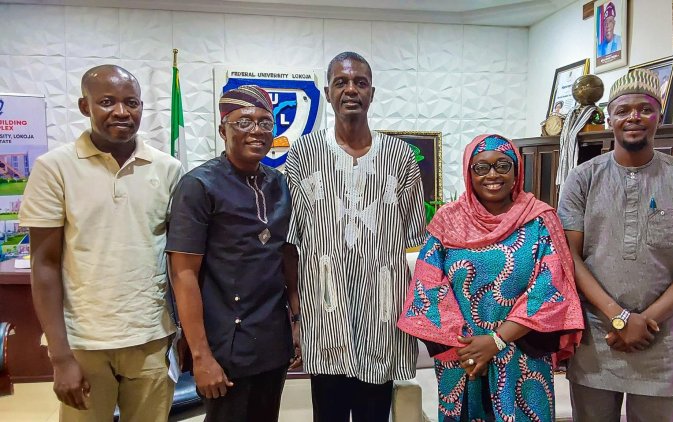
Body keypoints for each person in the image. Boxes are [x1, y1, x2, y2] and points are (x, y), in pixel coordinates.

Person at [557, 69, 673, 421]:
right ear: (610, 119)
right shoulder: (582, 179)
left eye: (644, 109)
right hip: (597, 339)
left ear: (658, 117)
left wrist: (644, 321)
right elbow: (568, 257)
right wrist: (617, 318)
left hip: (659, 340)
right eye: (623, 110)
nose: (633, 117)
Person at [19, 65, 182, 421]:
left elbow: (176, 259)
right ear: (84, 106)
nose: (121, 112)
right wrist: (60, 357)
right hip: (84, 343)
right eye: (107, 102)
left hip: (151, 339)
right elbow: (43, 264)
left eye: (132, 102)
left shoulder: (168, 168)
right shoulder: (54, 168)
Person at [398, 134, 584, 421]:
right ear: (469, 173)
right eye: (481, 168)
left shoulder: (539, 219)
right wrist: (470, 349)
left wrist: (496, 341)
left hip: (523, 352)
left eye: (502, 165)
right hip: (462, 356)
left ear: (516, 171)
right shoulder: (448, 220)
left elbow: (549, 288)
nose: (492, 175)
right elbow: (428, 284)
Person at [284, 51, 426, 422]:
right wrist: (297, 311)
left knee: (373, 413)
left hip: (381, 309)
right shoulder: (304, 153)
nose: (351, 90)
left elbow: (414, 244)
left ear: (372, 93)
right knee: (327, 413)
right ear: (328, 93)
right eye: (341, 82)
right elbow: (290, 241)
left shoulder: (399, 157)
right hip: (325, 306)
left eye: (360, 83)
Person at [166, 85, 301, 422]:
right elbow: (183, 275)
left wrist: (298, 323)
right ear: (223, 129)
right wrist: (200, 356)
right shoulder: (199, 186)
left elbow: (286, 258)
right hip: (224, 345)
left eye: (265, 122)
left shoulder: (279, 184)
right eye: (243, 122)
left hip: (272, 340)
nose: (256, 131)